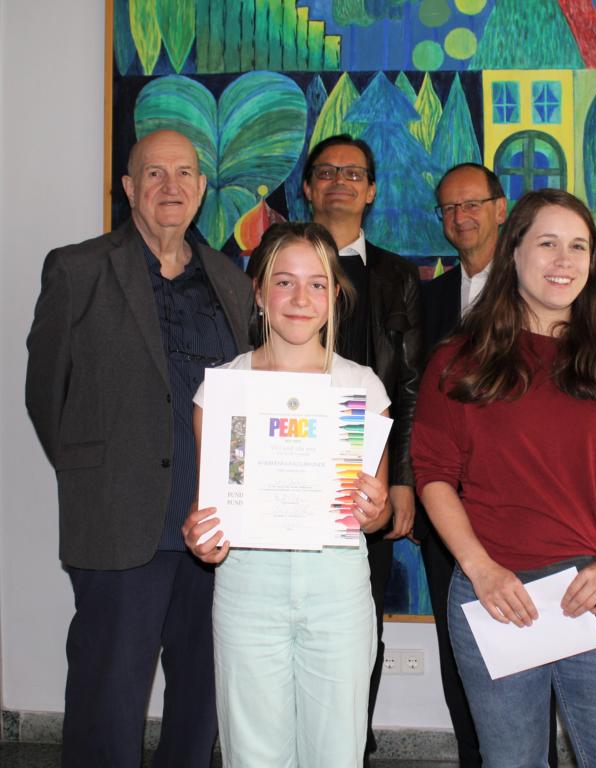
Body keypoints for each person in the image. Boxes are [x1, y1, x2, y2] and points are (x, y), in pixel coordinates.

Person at [412, 188, 596, 768]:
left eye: (578, 246)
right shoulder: (459, 361)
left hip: (595, 595)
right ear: (514, 253)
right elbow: (433, 476)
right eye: (547, 243)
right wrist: (480, 570)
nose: (564, 260)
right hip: (495, 596)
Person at [25, 129, 253, 767]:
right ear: (129, 188)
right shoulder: (79, 269)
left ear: (203, 189)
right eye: (154, 174)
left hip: (213, 534)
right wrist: (96, 476)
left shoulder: (233, 284)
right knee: (109, 706)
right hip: (122, 527)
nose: (170, 187)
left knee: (201, 703)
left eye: (184, 173)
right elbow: (47, 393)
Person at [183, 222, 393, 767]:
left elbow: (374, 514)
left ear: (335, 295)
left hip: (338, 590)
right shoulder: (222, 390)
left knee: (336, 753)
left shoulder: (363, 389)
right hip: (249, 588)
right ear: (259, 292)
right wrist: (202, 535)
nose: (302, 299)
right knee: (252, 754)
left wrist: (376, 509)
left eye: (318, 283)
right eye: (284, 282)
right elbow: (213, 504)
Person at [301, 134, 423, 760]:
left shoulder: (400, 276)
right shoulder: (271, 261)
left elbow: (410, 387)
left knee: (360, 621)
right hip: (285, 467)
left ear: (371, 191)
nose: (340, 181)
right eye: (326, 171)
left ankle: (353, 742)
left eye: (354, 173)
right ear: (307, 187)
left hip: (365, 481)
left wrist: (400, 478)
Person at [417, 162, 507, 768]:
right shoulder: (425, 300)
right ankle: (474, 757)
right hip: (444, 507)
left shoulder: (543, 287)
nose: (461, 217)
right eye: (449, 208)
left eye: (472, 204)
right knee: (459, 650)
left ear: (502, 208)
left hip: (520, 508)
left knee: (524, 647)